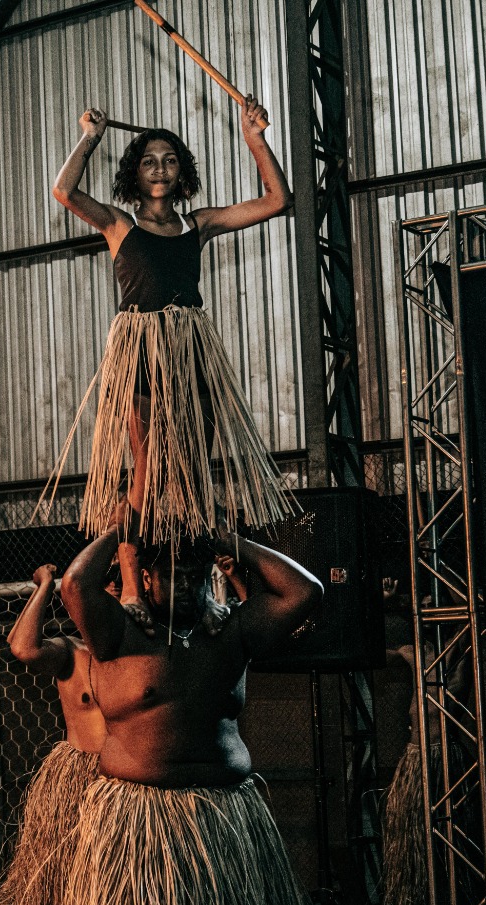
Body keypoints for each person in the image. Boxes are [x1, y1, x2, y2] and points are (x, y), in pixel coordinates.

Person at [48, 525, 344, 905]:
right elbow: (73, 584)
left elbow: (307, 593)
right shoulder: (118, 633)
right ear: (146, 579)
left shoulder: (233, 632)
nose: (183, 584)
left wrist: (231, 539)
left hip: (223, 822)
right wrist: (124, 525)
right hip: (136, 826)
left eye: (193, 574)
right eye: (170, 575)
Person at [50, 99, 296, 630]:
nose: (160, 168)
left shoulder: (198, 225)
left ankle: (208, 590)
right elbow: (64, 192)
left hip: (192, 355)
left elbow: (278, 200)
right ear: (134, 175)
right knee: (145, 475)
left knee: (195, 478)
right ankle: (133, 585)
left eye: (169, 160)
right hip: (139, 353)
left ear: (182, 170)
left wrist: (255, 136)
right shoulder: (118, 224)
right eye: (148, 161)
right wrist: (90, 137)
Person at [0, 563, 104, 905]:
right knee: (71, 886)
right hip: (79, 780)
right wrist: (46, 587)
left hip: (129, 782)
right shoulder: (71, 651)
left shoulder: (142, 649)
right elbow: (22, 648)